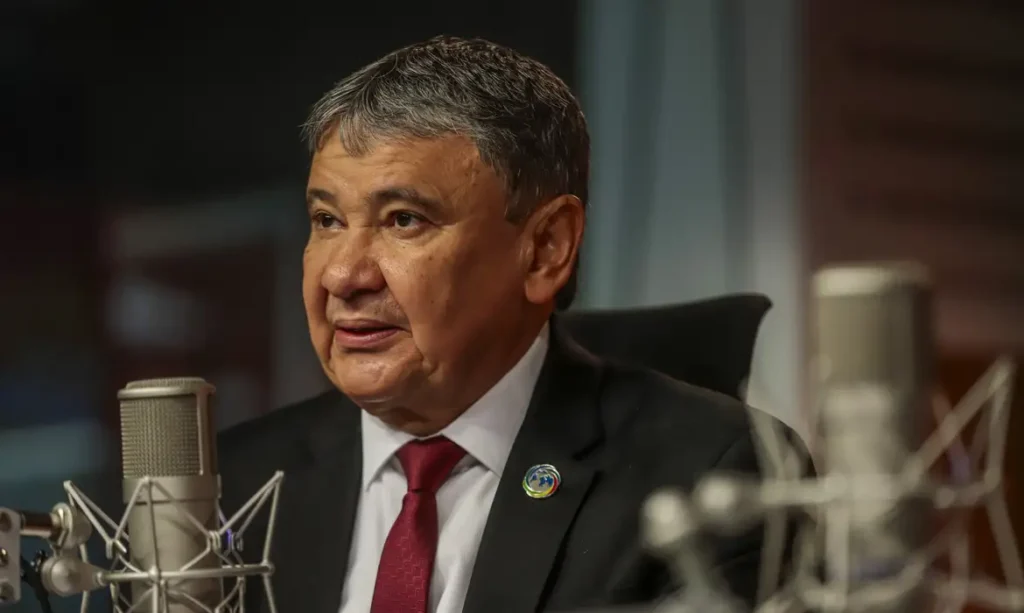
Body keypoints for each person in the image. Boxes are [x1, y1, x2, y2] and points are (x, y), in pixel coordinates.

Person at [220, 35, 795, 613]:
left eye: (403, 220)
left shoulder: (710, 480)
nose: (343, 276)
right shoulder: (226, 489)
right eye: (327, 220)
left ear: (546, 248)